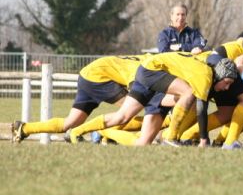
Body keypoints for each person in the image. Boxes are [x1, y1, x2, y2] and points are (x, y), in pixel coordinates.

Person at [69, 52, 237, 147]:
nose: (227, 88)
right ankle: (171, 136)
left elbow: (214, 56)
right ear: (220, 75)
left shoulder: (209, 64)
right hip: (151, 72)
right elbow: (202, 107)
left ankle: (86, 131)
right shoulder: (205, 74)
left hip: (151, 78)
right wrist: (203, 139)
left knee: (137, 136)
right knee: (189, 94)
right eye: (227, 83)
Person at [11, 55, 153, 143]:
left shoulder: (150, 59)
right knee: (131, 110)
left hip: (88, 74)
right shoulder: (146, 68)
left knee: (70, 123)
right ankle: (102, 134)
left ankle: (24, 128)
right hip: (98, 76)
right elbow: (139, 90)